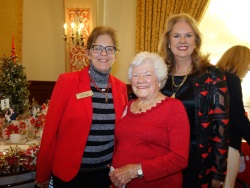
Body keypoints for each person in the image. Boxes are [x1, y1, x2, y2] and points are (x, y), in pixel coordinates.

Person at [35, 26, 128, 188]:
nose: (104, 53)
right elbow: (50, 131)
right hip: (69, 175)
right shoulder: (67, 82)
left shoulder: (120, 87)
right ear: (88, 53)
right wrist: (42, 173)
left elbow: (122, 135)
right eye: (97, 48)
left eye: (109, 49)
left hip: (103, 175)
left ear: (115, 54)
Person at [158, 13, 230, 188]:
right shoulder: (158, 75)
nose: (182, 40)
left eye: (188, 35)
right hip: (161, 158)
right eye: (176, 35)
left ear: (196, 41)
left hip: (197, 160)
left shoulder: (212, 75)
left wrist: (218, 172)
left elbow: (221, 126)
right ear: (168, 41)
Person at [109, 51, 190, 188]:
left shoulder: (173, 108)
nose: (140, 80)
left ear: (159, 80)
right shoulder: (127, 107)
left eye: (147, 74)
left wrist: (136, 170)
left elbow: (179, 158)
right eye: (135, 75)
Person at [216, 45, 250, 188]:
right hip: (228, 145)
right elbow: (238, 117)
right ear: (240, 61)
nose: (248, 69)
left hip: (212, 145)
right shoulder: (232, 80)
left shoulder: (214, 79)